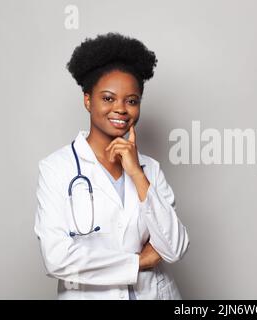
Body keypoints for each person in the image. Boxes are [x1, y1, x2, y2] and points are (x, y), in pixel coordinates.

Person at [34, 32, 190, 300]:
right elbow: (57, 259)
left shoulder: (149, 169)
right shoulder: (56, 168)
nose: (121, 109)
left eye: (131, 100)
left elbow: (174, 248)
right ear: (87, 100)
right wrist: (138, 263)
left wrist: (135, 173)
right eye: (108, 98)